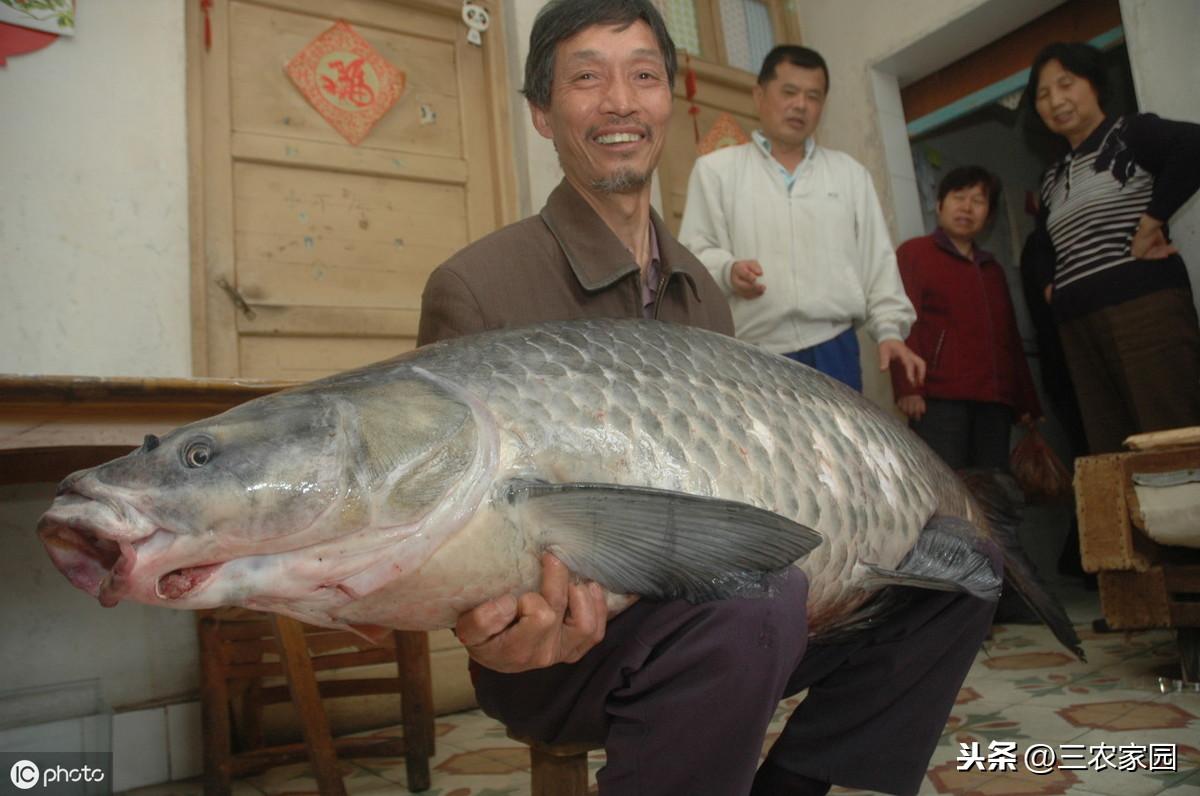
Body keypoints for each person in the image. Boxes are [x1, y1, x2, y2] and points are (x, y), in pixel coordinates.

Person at [419, 3, 997, 793]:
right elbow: (442, 529)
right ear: (542, 114)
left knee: (962, 570)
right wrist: (497, 631)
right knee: (758, 595)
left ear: (671, 101)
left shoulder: (701, 292)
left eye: (643, 75)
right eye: (586, 77)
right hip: (564, 655)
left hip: (736, 619)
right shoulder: (479, 287)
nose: (619, 100)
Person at [678, 44, 924, 394]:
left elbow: (878, 262)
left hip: (834, 346)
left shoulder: (849, 175)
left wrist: (889, 331)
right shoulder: (716, 171)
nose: (801, 105)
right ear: (759, 95)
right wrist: (728, 270)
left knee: (840, 450)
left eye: (814, 96)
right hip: (751, 351)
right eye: (789, 92)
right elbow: (694, 253)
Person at [1025, 41, 1200, 454]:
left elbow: (1193, 146)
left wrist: (1152, 220)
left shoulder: (1129, 133)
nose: (1056, 101)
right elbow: (1042, 243)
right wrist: (1052, 285)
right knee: (1112, 452)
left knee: (1171, 437)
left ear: (1094, 85)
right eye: (1043, 95)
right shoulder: (1052, 177)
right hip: (1079, 328)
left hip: (1144, 313)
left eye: (1065, 84)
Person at [891, 166, 1042, 470]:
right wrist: (908, 388)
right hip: (938, 400)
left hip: (995, 403)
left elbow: (1009, 336)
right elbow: (902, 321)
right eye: (959, 197)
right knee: (946, 491)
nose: (967, 207)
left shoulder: (993, 270)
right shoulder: (915, 253)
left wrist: (1026, 402)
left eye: (978, 201)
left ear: (988, 214)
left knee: (993, 491)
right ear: (939, 205)